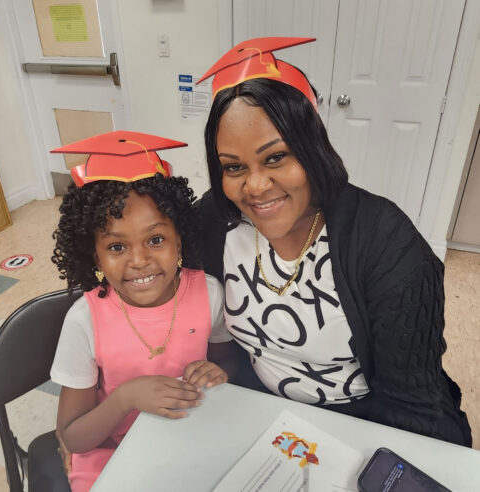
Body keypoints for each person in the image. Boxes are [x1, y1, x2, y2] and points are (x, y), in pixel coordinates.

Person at [197, 37, 472, 446]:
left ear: (312, 149)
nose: (254, 186)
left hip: (361, 423)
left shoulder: (385, 242)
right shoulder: (217, 219)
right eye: (234, 166)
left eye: (276, 158)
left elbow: (410, 406)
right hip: (256, 410)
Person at [50, 131, 231, 491]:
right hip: (113, 452)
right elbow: (73, 437)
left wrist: (217, 373)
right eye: (117, 246)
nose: (140, 260)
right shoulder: (85, 320)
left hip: (186, 440)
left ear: (179, 238)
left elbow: (231, 363)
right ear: (95, 255)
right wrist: (126, 398)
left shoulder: (208, 294)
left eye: (156, 239)